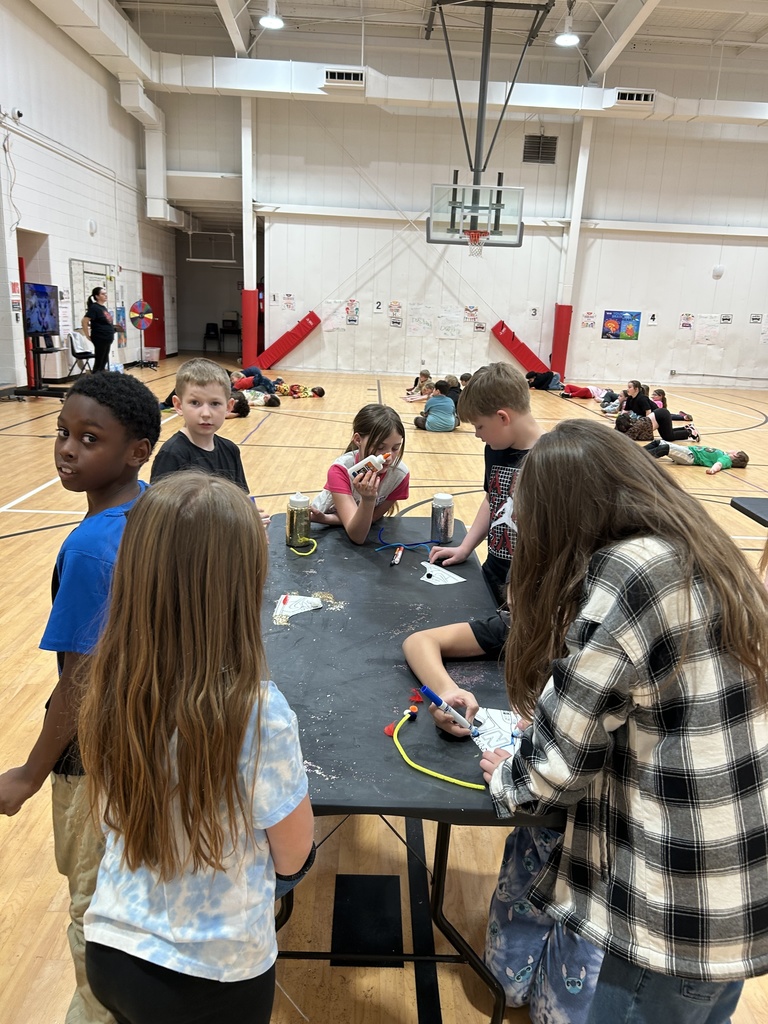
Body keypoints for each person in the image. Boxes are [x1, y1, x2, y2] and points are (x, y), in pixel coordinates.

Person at [478, 419, 768, 1024]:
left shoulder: (629, 571)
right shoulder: (696, 548)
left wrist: (508, 773)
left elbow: (554, 770)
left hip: (672, 907)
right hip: (738, 896)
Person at [80, 473, 315, 1024]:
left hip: (112, 950)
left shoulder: (113, 684)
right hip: (213, 976)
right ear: (243, 584)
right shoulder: (259, 713)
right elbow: (293, 854)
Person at [0, 372, 161, 1024]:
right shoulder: (151, 509)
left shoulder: (93, 548)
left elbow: (82, 679)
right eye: (64, 433)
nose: (67, 449)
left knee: (93, 913)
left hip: (95, 763)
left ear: (136, 451)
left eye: (89, 438)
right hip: (147, 748)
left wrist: (29, 773)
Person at [402, 617, 603, 1022]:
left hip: (599, 866)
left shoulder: (607, 648)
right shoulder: (533, 621)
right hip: (539, 842)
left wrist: (540, 754)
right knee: (507, 987)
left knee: (560, 1015)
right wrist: (447, 691)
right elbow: (420, 641)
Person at [429, 362, 544, 604]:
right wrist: (465, 548)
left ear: (503, 417)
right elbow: (493, 499)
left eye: (479, 426)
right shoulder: (495, 447)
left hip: (532, 586)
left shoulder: (552, 459)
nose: (477, 434)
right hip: (494, 572)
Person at [310, 404, 409, 544]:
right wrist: (368, 500)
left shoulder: (400, 475)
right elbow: (357, 537)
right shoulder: (340, 470)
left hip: (347, 525)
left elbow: (372, 518)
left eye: (395, 448)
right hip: (321, 531)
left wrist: (328, 519)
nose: (389, 457)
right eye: (380, 447)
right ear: (358, 440)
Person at [150, 358, 248, 492]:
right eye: (195, 403)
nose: (206, 413)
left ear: (229, 407)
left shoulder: (230, 450)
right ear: (178, 405)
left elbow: (241, 499)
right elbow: (160, 511)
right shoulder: (171, 455)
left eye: (215, 403)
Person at [646, 439, 748, 473]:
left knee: (665, 448)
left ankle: (642, 457)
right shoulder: (724, 454)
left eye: (736, 451)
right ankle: (638, 452)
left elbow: (719, 464)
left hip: (690, 457)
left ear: (735, 455)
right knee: (659, 442)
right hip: (687, 450)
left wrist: (712, 470)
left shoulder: (726, 459)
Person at [81, 287, 117, 373]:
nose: (105, 295)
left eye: (106, 293)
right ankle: (95, 379)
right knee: (100, 360)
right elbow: (84, 321)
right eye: (103, 294)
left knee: (104, 360)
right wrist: (87, 335)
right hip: (100, 337)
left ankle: (101, 378)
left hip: (107, 337)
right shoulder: (94, 308)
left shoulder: (103, 307)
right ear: (97, 296)